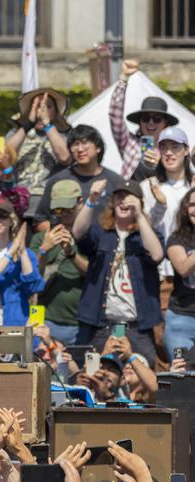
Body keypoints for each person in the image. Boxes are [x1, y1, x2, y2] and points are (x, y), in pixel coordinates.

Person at [72, 179, 164, 365]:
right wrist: (91, 200)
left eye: (130, 198)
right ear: (112, 203)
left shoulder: (147, 235)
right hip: (99, 326)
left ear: (140, 202)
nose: (124, 202)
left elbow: (156, 255)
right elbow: (78, 232)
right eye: (119, 198)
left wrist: (139, 215)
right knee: (92, 375)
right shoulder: (101, 233)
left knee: (140, 383)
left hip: (137, 328)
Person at [30, 178, 88, 346]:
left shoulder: (90, 238)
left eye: (68, 208)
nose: (62, 213)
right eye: (57, 209)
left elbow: (95, 275)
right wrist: (43, 250)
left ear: (80, 202)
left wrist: (72, 254)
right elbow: (33, 280)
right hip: (46, 320)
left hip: (80, 321)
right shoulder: (40, 239)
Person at [112, 59, 179, 181]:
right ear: (139, 122)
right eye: (146, 118)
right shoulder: (129, 143)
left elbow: (180, 181)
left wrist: (161, 164)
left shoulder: (173, 150)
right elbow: (115, 115)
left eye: (157, 119)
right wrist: (123, 79)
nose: (151, 123)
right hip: (131, 197)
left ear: (165, 123)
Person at [40, 124, 124, 220]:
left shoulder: (116, 181)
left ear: (98, 148)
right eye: (75, 144)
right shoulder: (58, 180)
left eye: (84, 143)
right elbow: (41, 219)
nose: (80, 149)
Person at [6, 88, 72, 197]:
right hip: (19, 198)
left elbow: (65, 158)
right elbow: (4, 156)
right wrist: (28, 125)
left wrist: (47, 124)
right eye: (37, 106)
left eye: (48, 107)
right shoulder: (16, 133)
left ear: (56, 113)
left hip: (52, 199)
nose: (42, 111)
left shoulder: (64, 136)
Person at [140, 126, 191, 240]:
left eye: (175, 147)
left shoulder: (192, 185)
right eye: (163, 147)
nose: (168, 152)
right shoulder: (147, 186)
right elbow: (143, 228)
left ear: (186, 150)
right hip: (160, 255)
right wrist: (160, 205)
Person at [165, 188, 195, 355]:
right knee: (183, 378)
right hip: (182, 320)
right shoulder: (177, 238)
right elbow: (183, 268)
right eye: (192, 205)